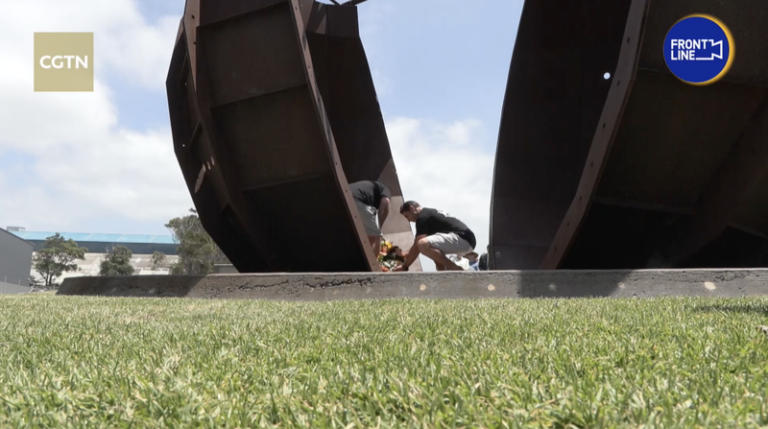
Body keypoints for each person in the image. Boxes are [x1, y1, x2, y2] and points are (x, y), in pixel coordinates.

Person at [394, 201, 476, 271]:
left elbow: (417, 246)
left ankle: (455, 269)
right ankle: (443, 276)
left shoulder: (422, 217)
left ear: (412, 208)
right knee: (433, 252)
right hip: (466, 241)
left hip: (462, 239)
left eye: (407, 216)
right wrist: (404, 254)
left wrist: (405, 267)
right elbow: (417, 246)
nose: (408, 220)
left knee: (422, 244)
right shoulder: (429, 214)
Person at [349, 180, 391, 258]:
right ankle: (371, 265)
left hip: (343, 194)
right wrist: (379, 228)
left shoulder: (368, 186)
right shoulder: (385, 190)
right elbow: (385, 204)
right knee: (375, 237)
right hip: (358, 200)